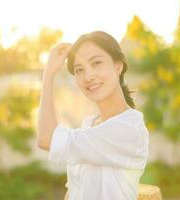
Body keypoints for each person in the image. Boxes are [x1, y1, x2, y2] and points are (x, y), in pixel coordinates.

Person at [37, 31, 149, 200]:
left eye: (96, 63)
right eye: (79, 69)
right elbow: (74, 189)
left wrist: (48, 75)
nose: (88, 76)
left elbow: (47, 139)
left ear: (118, 65)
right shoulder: (90, 124)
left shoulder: (127, 128)